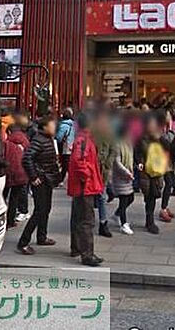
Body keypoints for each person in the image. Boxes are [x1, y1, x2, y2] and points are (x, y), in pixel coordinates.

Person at [17, 116, 62, 255]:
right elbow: (27, 158)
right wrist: (34, 176)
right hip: (41, 180)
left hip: (48, 179)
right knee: (40, 211)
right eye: (52, 125)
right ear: (45, 127)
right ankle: (23, 242)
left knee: (46, 208)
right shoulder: (39, 140)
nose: (54, 128)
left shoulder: (48, 139)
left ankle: (42, 236)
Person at [67, 113, 105, 266]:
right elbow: (79, 161)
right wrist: (86, 177)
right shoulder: (84, 140)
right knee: (87, 220)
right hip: (85, 187)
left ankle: (77, 247)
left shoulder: (82, 139)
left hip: (82, 186)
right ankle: (87, 254)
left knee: (78, 218)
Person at [135, 112, 171, 234]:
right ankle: (149, 220)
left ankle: (149, 220)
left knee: (154, 195)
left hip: (157, 170)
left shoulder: (160, 138)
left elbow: (169, 147)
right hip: (146, 171)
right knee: (148, 196)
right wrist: (139, 162)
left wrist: (160, 137)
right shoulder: (142, 138)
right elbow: (138, 152)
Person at [92, 111, 116, 238]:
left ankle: (103, 222)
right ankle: (89, 220)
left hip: (103, 170)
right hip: (92, 169)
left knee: (101, 196)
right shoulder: (91, 134)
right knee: (91, 196)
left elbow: (113, 150)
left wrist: (108, 163)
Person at [2, 125, 30, 229]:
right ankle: (11, 220)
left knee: (3, 196)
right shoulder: (25, 140)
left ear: (9, 132)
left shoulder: (6, 143)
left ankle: (2, 219)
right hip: (22, 172)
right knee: (15, 197)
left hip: (8, 172)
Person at [112, 123, 135, 235]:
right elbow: (117, 162)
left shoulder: (128, 144)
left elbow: (131, 158)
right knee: (124, 199)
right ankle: (124, 224)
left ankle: (117, 214)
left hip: (128, 175)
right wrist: (126, 172)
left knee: (130, 197)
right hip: (120, 176)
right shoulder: (117, 145)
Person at [56, 107, 76, 184]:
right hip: (73, 146)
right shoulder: (74, 125)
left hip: (65, 146)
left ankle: (61, 179)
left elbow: (59, 137)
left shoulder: (63, 125)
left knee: (65, 163)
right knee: (69, 163)